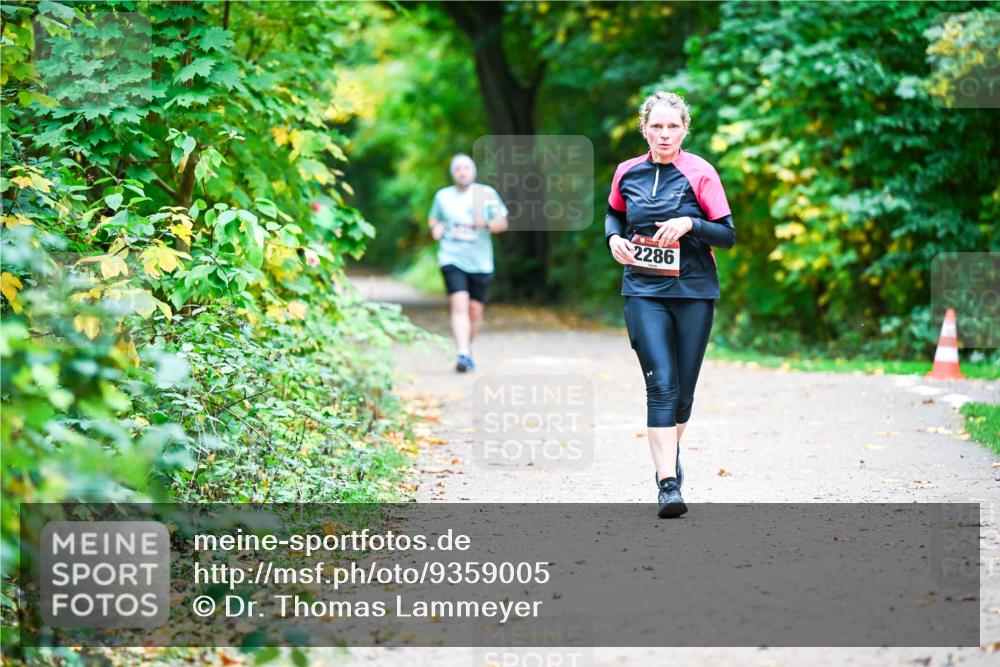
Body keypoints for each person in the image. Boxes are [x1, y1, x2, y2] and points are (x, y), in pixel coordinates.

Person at [605, 91, 735, 518]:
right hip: (643, 290)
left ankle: (669, 454)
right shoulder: (627, 172)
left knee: (681, 395)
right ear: (644, 129)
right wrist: (614, 239)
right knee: (659, 384)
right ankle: (667, 484)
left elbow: (727, 234)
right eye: (656, 126)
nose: (664, 134)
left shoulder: (700, 173)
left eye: (672, 126)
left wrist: (690, 223)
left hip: (694, 292)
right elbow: (613, 213)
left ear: (684, 129)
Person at [428, 153, 509, 372]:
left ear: (473, 171)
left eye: (466, 168)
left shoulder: (486, 194)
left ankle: (468, 347)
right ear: (453, 173)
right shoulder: (443, 197)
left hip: (480, 262)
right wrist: (436, 228)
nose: (462, 172)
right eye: (458, 169)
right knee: (459, 303)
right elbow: (434, 218)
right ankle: (462, 353)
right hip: (451, 257)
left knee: (475, 310)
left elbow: (503, 223)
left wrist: (487, 223)